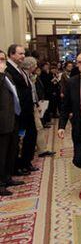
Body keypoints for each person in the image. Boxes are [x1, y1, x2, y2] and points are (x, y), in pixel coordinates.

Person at [58, 53, 81, 199]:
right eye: (80, 63)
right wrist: (61, 126)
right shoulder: (72, 82)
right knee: (80, 159)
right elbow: (65, 106)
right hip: (79, 127)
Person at [6, 44, 39, 175]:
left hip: (27, 111)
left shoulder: (19, 69)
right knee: (18, 141)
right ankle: (18, 166)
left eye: (24, 54)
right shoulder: (9, 70)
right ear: (12, 54)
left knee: (31, 136)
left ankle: (26, 162)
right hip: (18, 113)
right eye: (20, 54)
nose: (23, 56)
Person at [0, 50, 24, 196]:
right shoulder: (2, 75)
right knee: (1, 154)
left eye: (3, 59)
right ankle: (1, 183)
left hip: (13, 117)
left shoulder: (7, 74)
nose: (1, 62)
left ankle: (8, 177)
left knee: (11, 151)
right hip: (2, 121)